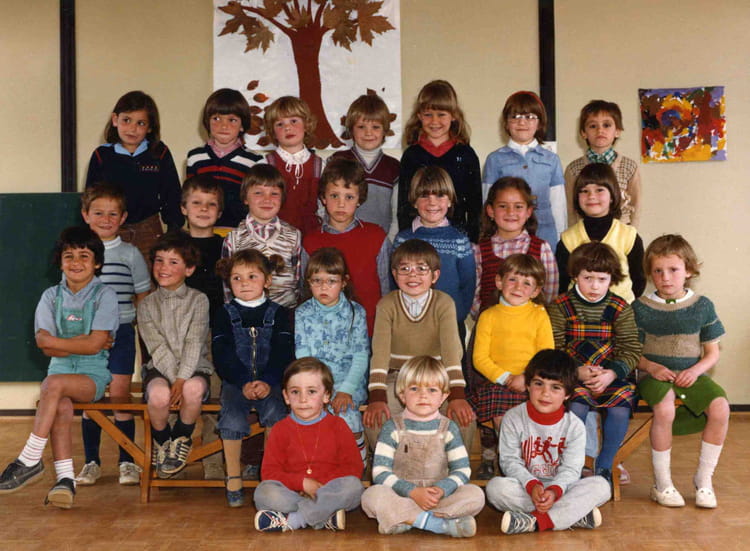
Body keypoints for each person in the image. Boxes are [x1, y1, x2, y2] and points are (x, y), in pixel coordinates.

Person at [0, 227, 118, 508]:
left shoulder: (105, 295)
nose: (76, 262)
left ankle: (30, 458)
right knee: (60, 405)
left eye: (84, 256)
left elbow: (94, 346)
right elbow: (44, 344)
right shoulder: (50, 296)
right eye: (69, 256)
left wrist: (65, 342)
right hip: (58, 373)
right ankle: (66, 481)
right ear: (60, 261)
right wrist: (84, 340)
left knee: (52, 385)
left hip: (91, 376)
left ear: (97, 263)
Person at [633, 234, 729, 509]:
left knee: (721, 408)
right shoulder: (640, 308)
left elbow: (712, 353)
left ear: (688, 270)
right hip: (653, 375)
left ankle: (704, 479)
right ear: (650, 273)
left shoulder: (702, 306)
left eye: (673, 270)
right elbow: (631, 353)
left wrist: (696, 371)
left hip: (692, 374)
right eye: (658, 271)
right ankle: (662, 484)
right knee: (665, 410)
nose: (665, 278)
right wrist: (651, 367)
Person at [363, 239, 475, 450]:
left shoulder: (444, 302)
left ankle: (457, 468)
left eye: (421, 269)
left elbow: (452, 351)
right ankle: (387, 466)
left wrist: (457, 395)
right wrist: (376, 395)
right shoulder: (387, 304)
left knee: (463, 419)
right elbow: (380, 352)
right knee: (376, 418)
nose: (412, 275)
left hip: (436, 376)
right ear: (394, 275)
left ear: (435, 276)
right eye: (404, 269)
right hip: (398, 377)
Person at [485, 349, 611, 534]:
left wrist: (554, 491)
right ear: (528, 385)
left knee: (601, 486)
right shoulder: (512, 418)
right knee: (495, 488)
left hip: (563, 488)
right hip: (526, 487)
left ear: (567, 394)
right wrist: (532, 485)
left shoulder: (574, 426)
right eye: (539, 384)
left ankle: (536, 522)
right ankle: (571, 515)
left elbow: (572, 469)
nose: (545, 393)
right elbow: (509, 461)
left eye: (555, 387)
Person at [548, 242, 641, 486]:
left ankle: (605, 465)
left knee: (620, 408)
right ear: (575, 276)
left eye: (602, 279)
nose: (595, 286)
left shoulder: (619, 307)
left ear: (612, 279)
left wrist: (612, 373)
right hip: (573, 375)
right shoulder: (561, 306)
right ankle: (575, 464)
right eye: (587, 278)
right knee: (577, 406)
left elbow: (631, 348)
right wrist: (575, 371)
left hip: (610, 375)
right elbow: (554, 347)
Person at [76, 184, 150, 487]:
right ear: (85, 215)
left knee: (120, 396)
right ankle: (91, 462)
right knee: (91, 396)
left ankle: (127, 461)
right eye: (98, 213)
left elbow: (142, 294)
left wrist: (140, 328)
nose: (105, 220)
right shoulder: (79, 254)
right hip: (87, 337)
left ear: (123, 218)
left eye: (112, 214)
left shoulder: (130, 253)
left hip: (121, 333)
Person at [361, 356, 484, 537]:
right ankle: (437, 524)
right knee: (371, 496)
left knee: (475, 495)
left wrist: (442, 489)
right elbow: (380, 473)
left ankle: (406, 519)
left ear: (444, 397)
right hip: (401, 496)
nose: (423, 395)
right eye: (414, 388)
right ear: (402, 395)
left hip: (438, 499)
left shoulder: (449, 428)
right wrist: (412, 492)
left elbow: (462, 470)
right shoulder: (392, 427)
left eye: (432, 389)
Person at [212, 249, 292, 507]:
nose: (244, 283)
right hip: (236, 382)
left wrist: (268, 380)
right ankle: (233, 475)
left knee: (277, 412)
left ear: (267, 281)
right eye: (237, 278)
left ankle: (270, 476)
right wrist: (242, 381)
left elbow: (283, 352)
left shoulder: (279, 314)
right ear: (229, 282)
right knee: (232, 416)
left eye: (252, 276)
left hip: (271, 381)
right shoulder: (224, 313)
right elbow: (222, 354)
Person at [467, 254, 554, 479]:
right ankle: (506, 465)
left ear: (535, 291)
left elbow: (546, 355)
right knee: (503, 421)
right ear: (499, 281)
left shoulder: (539, 315)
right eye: (512, 280)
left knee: (533, 419)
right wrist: (506, 378)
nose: (518, 287)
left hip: (532, 382)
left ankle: (530, 465)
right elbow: (480, 358)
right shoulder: (489, 316)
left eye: (527, 283)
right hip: (497, 382)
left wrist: (527, 378)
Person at [253, 357, 363, 532]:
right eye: (295, 392)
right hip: (293, 493)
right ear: (286, 397)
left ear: (326, 395)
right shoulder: (280, 429)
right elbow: (269, 472)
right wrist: (302, 483)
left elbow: (353, 467)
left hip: (328, 491)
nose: (303, 399)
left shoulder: (338, 426)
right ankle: (325, 516)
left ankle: (297, 519)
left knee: (353, 487)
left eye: (311, 391)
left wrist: (320, 486)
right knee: (263, 492)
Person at [137, 231, 213, 479]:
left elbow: (194, 341)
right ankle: (162, 441)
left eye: (173, 262)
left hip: (194, 368)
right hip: (160, 368)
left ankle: (181, 437)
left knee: (193, 389)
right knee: (158, 395)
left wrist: (181, 379)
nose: (163, 268)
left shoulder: (199, 300)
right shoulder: (146, 305)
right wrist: (172, 378)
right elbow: (156, 346)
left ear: (189, 269)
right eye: (159, 260)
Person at [85, 90, 183, 260]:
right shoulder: (102, 155)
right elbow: (90, 198)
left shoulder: (159, 153)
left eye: (141, 123)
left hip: (148, 229)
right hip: (110, 229)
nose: (132, 129)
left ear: (150, 127)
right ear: (115, 120)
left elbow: (172, 193)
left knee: (150, 274)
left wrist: (173, 231)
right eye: (126, 120)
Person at [295, 248, 370, 463]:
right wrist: (316, 388)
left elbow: (360, 356)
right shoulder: (303, 313)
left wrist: (346, 390)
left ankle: (356, 463)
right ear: (309, 282)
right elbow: (303, 356)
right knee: (309, 411)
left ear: (344, 282)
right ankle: (320, 464)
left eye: (331, 281)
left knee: (346, 414)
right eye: (317, 281)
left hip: (348, 382)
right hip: (314, 381)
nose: (323, 287)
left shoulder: (356, 312)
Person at [302, 157, 391, 334]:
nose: (341, 204)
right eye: (334, 196)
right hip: (324, 332)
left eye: (349, 197)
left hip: (369, 330)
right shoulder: (310, 241)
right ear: (323, 198)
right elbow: (304, 292)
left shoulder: (376, 236)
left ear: (359, 199)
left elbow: (386, 289)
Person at [393, 165, 476, 343]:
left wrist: (458, 315)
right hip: (410, 324)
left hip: (449, 324)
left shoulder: (459, 240)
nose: (432, 202)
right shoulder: (403, 239)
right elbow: (394, 282)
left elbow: (468, 283)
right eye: (424, 196)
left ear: (450, 201)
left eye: (440, 195)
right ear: (414, 201)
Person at [181, 175, 226, 480]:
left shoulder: (226, 246)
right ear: (184, 208)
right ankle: (171, 456)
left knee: (215, 397)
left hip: (217, 331)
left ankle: (212, 458)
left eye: (211, 204)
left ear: (220, 212)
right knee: (179, 396)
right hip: (180, 334)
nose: (203, 209)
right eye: (196, 203)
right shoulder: (174, 245)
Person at [399, 80, 482, 242]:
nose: (434, 121)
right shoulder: (411, 156)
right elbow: (404, 205)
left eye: (441, 114)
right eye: (428, 115)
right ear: (419, 116)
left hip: (457, 238)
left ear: (454, 116)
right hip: (420, 238)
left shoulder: (466, 155)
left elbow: (475, 206)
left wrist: (472, 241)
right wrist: (407, 241)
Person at [482, 91, 566, 248]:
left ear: (539, 123)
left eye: (530, 117)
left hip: (544, 234)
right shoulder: (495, 159)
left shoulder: (551, 159)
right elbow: (488, 200)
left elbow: (558, 203)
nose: (522, 122)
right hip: (507, 235)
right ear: (506, 123)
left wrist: (561, 236)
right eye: (515, 117)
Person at [556, 163, 645, 303]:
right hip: (579, 311)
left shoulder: (629, 236)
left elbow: (639, 280)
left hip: (621, 310)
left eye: (599, 190)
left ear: (612, 196)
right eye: (584, 191)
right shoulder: (568, 239)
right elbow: (562, 283)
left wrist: (622, 306)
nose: (591, 196)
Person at [472, 176, 558, 317]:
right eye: (503, 206)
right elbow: (474, 295)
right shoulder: (479, 250)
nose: (510, 212)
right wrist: (484, 318)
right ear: (491, 211)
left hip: (530, 326)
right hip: (491, 326)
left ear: (528, 212)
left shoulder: (542, 248)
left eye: (518, 206)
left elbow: (550, 293)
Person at [222, 164, 301, 308]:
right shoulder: (233, 238)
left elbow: (298, 278)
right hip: (246, 313)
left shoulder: (294, 235)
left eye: (274, 193)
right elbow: (227, 285)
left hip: (286, 311)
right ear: (245, 198)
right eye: (258, 193)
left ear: (282, 198)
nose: (267, 199)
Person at [186, 88, 263, 233]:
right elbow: (189, 198)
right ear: (207, 122)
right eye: (216, 119)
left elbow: (255, 203)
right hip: (202, 231)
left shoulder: (254, 161)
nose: (224, 125)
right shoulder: (195, 157)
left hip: (238, 232)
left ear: (242, 125)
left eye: (232, 120)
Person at [564, 99, 641, 226]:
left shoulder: (629, 166)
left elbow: (636, 205)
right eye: (593, 126)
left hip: (620, 232)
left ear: (617, 131)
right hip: (586, 232)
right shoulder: (573, 169)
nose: (600, 130)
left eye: (606, 125)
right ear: (583, 133)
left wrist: (633, 232)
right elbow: (570, 208)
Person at [332, 93, 400, 236]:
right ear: (351, 129)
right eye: (361, 127)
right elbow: (323, 204)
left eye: (375, 127)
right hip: (340, 239)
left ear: (385, 130)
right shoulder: (337, 160)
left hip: (380, 242)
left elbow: (396, 217)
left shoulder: (394, 167)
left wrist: (388, 243)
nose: (368, 133)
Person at [263, 96, 323, 236]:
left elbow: (324, 208)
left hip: (311, 237)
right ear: (273, 132)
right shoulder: (265, 165)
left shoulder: (320, 166)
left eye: (294, 121)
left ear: (306, 125)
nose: (287, 127)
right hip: (275, 237)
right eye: (280, 124)